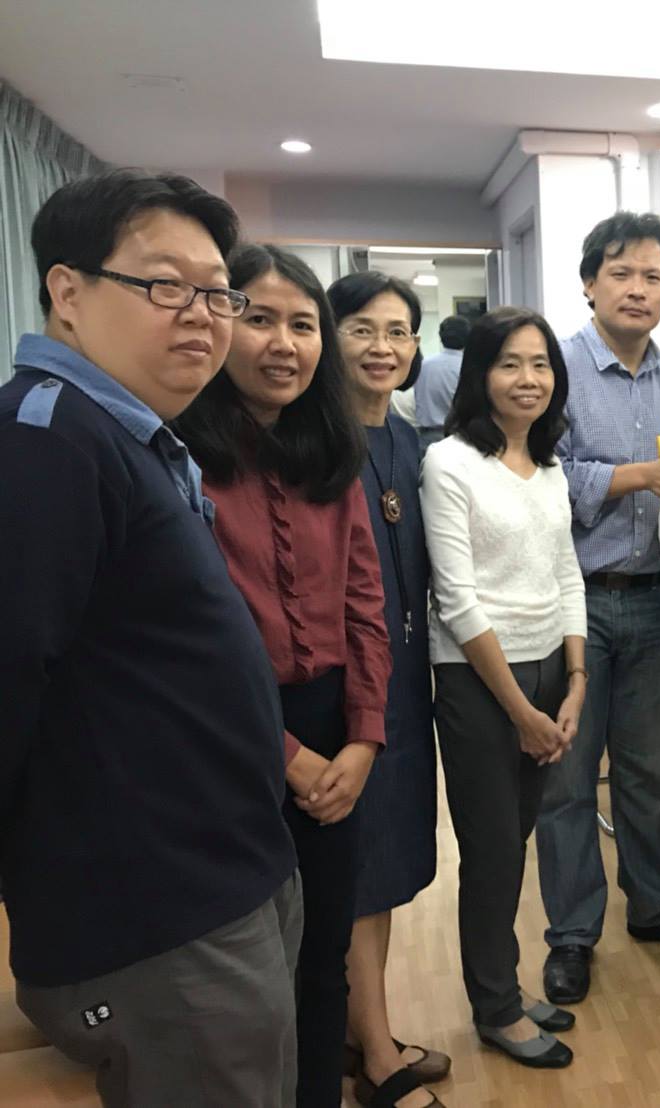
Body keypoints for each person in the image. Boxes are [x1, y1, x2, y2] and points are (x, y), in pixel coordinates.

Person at [1, 170, 300, 1107]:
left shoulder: (125, 434)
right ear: (67, 291)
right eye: (165, 285)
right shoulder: (44, 440)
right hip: (153, 908)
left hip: (220, 868)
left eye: (217, 292)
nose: (202, 315)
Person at [174, 243, 391, 1108]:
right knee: (243, 968)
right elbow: (188, 646)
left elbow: (366, 605)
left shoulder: (332, 455)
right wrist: (287, 756)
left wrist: (364, 738)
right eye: (259, 319)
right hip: (226, 736)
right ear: (221, 323)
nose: (283, 344)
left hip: (334, 729)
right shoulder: (179, 458)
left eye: (303, 325)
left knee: (323, 954)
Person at [536, 212, 660, 1007]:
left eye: (653, 276)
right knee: (566, 780)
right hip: (573, 605)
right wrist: (632, 476)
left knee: (651, 773)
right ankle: (571, 934)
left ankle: (657, 905)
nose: (637, 289)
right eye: (621, 273)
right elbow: (534, 477)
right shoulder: (550, 371)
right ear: (589, 283)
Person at [422, 306, 587, 1068]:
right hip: (481, 682)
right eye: (510, 364)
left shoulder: (549, 466)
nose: (529, 379)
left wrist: (576, 680)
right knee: (491, 853)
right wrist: (522, 712)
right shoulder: (449, 463)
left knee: (514, 842)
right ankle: (495, 1008)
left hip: (551, 667)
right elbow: (455, 599)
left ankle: (505, 986)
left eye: (541, 364)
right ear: (480, 375)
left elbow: (566, 572)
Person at [327, 272, 446, 1108]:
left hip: (407, 687)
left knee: (389, 866)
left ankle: (363, 1027)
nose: (383, 347)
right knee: (357, 874)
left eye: (399, 331)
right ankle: (373, 1052)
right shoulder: (315, 444)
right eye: (362, 329)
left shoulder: (409, 442)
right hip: (343, 693)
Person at [414, 314, 469, 453]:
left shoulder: (423, 366)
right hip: (460, 438)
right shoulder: (468, 368)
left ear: (441, 337)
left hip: (426, 438)